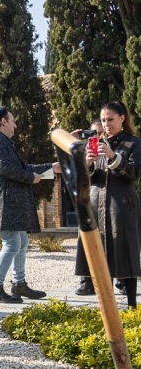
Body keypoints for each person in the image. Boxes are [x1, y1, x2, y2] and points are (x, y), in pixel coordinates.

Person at [0, 106, 60, 303]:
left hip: (11, 203)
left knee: (21, 242)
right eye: (12, 120)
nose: (15, 125)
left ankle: (18, 284)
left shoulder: (3, 143)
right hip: (3, 203)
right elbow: (5, 168)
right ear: (4, 122)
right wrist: (30, 177)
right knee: (12, 243)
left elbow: (20, 168)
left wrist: (50, 168)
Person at [74, 101, 141, 308]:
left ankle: (132, 305)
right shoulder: (95, 142)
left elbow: (134, 173)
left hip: (121, 203)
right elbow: (86, 178)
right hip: (95, 202)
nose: (106, 124)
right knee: (99, 251)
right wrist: (87, 163)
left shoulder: (133, 143)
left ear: (122, 118)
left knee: (125, 250)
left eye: (110, 119)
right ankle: (106, 303)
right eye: (103, 120)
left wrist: (113, 156)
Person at [72, 119, 103, 297]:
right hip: (88, 199)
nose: (96, 137)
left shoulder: (110, 148)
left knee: (112, 240)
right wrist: (70, 142)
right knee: (84, 240)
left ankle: (120, 280)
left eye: (100, 134)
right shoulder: (82, 150)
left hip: (107, 199)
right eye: (93, 134)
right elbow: (68, 170)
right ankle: (86, 281)